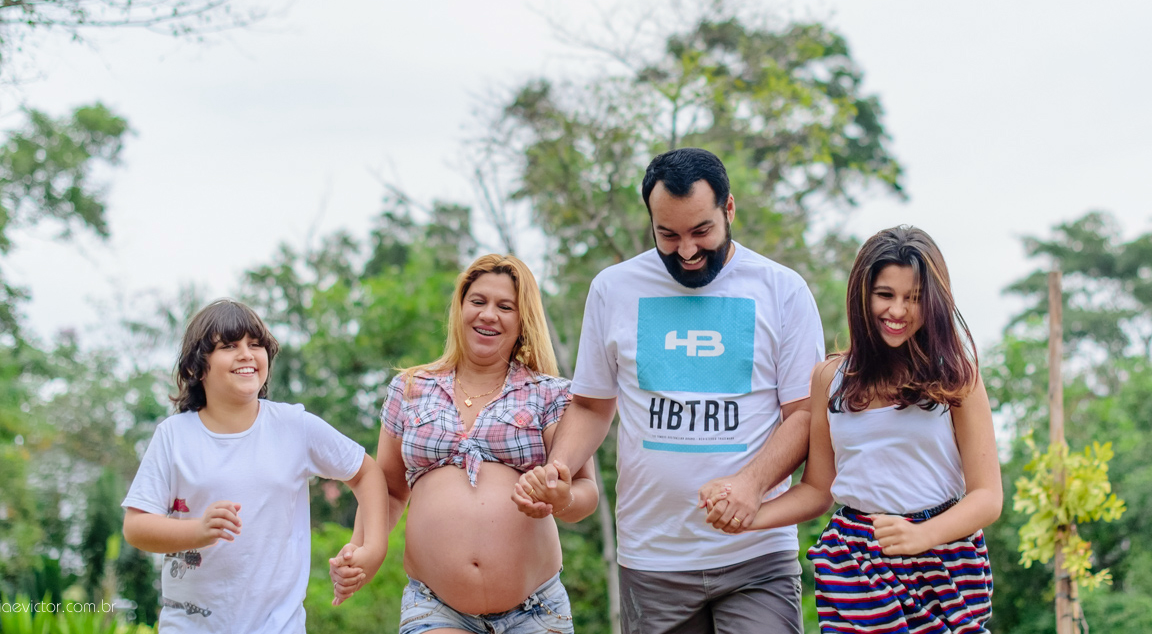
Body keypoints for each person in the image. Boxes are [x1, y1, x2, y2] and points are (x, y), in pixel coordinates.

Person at [516, 147, 825, 634]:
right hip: (652, 557)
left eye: (701, 231)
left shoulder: (783, 290)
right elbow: (593, 406)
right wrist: (560, 466)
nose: (686, 250)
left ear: (729, 209)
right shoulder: (613, 288)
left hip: (756, 555)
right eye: (669, 234)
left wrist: (750, 485)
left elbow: (805, 415)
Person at [731, 226, 1002, 633]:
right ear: (863, 294)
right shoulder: (830, 377)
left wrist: (921, 536)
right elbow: (818, 489)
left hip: (945, 564)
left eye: (913, 299)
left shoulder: (958, 377)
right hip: (857, 565)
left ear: (934, 302)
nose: (898, 311)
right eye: (885, 295)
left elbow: (987, 497)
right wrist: (746, 516)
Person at [330, 254, 599, 634]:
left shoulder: (550, 394)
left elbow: (586, 492)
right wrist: (360, 550)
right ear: (459, 308)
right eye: (478, 301)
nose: (489, 314)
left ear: (523, 320)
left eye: (505, 306)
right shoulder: (410, 388)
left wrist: (563, 498)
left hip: (536, 610)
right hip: (436, 607)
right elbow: (388, 492)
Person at [122, 299, 389, 633]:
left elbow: (366, 473)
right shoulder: (174, 436)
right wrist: (198, 530)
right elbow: (136, 527)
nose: (247, 354)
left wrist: (372, 548)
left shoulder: (294, 426)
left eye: (256, 344)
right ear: (197, 367)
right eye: (229, 346)